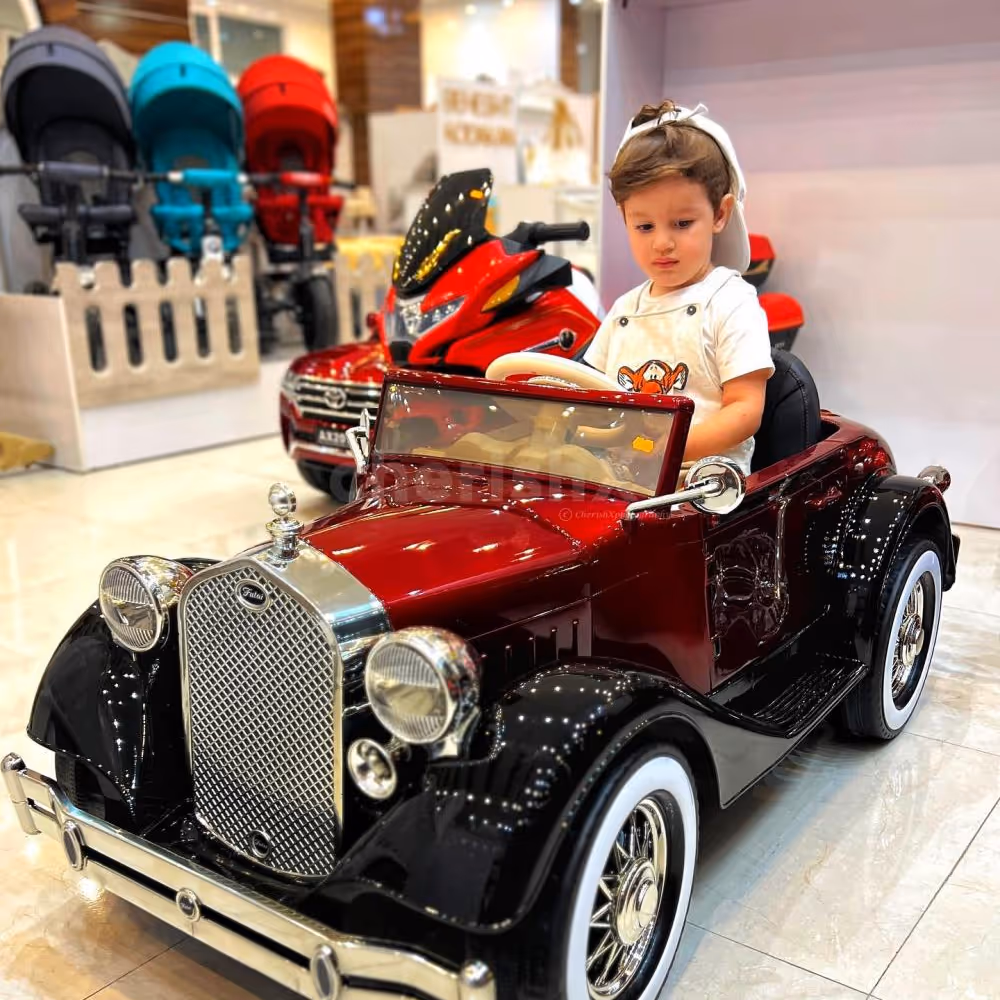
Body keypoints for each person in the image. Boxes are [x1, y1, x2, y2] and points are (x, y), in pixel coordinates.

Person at [583, 101, 773, 475]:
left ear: (719, 214)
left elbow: (745, 409)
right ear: (624, 217)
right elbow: (592, 396)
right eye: (645, 227)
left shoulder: (730, 302)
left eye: (682, 223)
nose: (662, 243)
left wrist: (666, 450)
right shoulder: (624, 310)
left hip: (703, 486)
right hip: (624, 479)